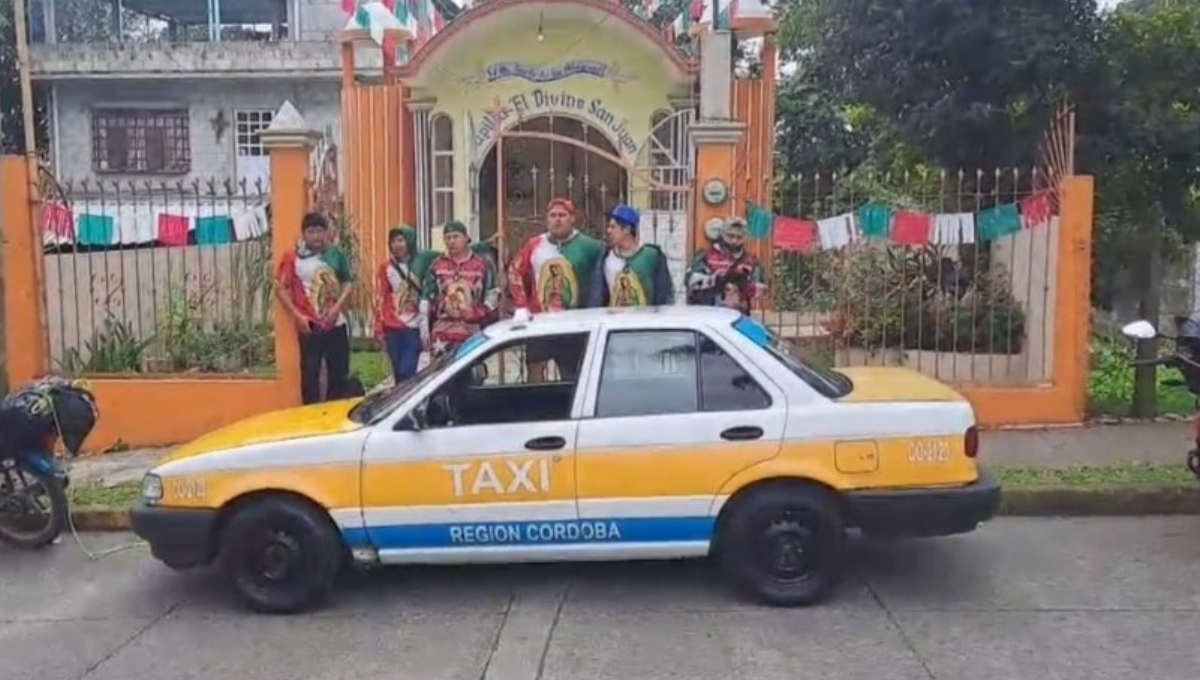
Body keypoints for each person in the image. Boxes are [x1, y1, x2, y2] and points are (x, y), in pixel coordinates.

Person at [508, 198, 605, 380]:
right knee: (535, 371)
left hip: (574, 325)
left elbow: (603, 274)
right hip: (540, 322)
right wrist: (521, 305)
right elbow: (515, 270)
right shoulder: (534, 244)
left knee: (572, 375)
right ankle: (537, 407)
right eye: (553, 215)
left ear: (572, 218)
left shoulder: (590, 246)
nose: (557, 220)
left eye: (562, 215)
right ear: (547, 219)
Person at [275, 211, 355, 404]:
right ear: (303, 234)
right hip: (309, 324)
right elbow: (281, 288)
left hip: (335, 323)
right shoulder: (292, 257)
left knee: (339, 373)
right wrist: (297, 316)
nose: (316, 236)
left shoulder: (336, 254)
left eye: (320, 231)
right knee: (310, 375)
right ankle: (311, 418)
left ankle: (335, 417)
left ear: (326, 233)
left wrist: (337, 307)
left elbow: (348, 282)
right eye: (311, 231)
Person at [420, 221, 500, 358]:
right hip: (441, 335)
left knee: (471, 376)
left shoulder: (482, 265)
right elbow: (427, 297)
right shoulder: (437, 265)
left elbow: (493, 296)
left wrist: (476, 313)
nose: (451, 241)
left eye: (455, 236)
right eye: (448, 238)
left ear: (466, 238)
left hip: (472, 334)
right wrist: (443, 306)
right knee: (442, 376)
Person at [374, 225, 433, 385]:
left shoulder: (423, 262)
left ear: (410, 241)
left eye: (400, 240)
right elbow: (382, 296)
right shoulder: (386, 268)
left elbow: (448, 254)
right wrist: (379, 326)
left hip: (414, 327)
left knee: (408, 371)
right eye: (393, 241)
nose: (397, 245)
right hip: (392, 326)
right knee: (398, 373)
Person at [588, 203, 674, 308]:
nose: (608, 231)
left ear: (627, 229)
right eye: (608, 227)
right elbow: (598, 295)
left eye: (613, 227)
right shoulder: (605, 258)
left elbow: (664, 293)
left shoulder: (651, 256)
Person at [685, 216, 767, 315]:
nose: (734, 241)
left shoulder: (751, 261)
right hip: (708, 314)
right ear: (723, 235)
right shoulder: (706, 256)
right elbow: (691, 281)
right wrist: (717, 280)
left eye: (739, 237)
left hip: (738, 315)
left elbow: (762, 290)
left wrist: (745, 286)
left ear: (745, 238)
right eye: (730, 236)